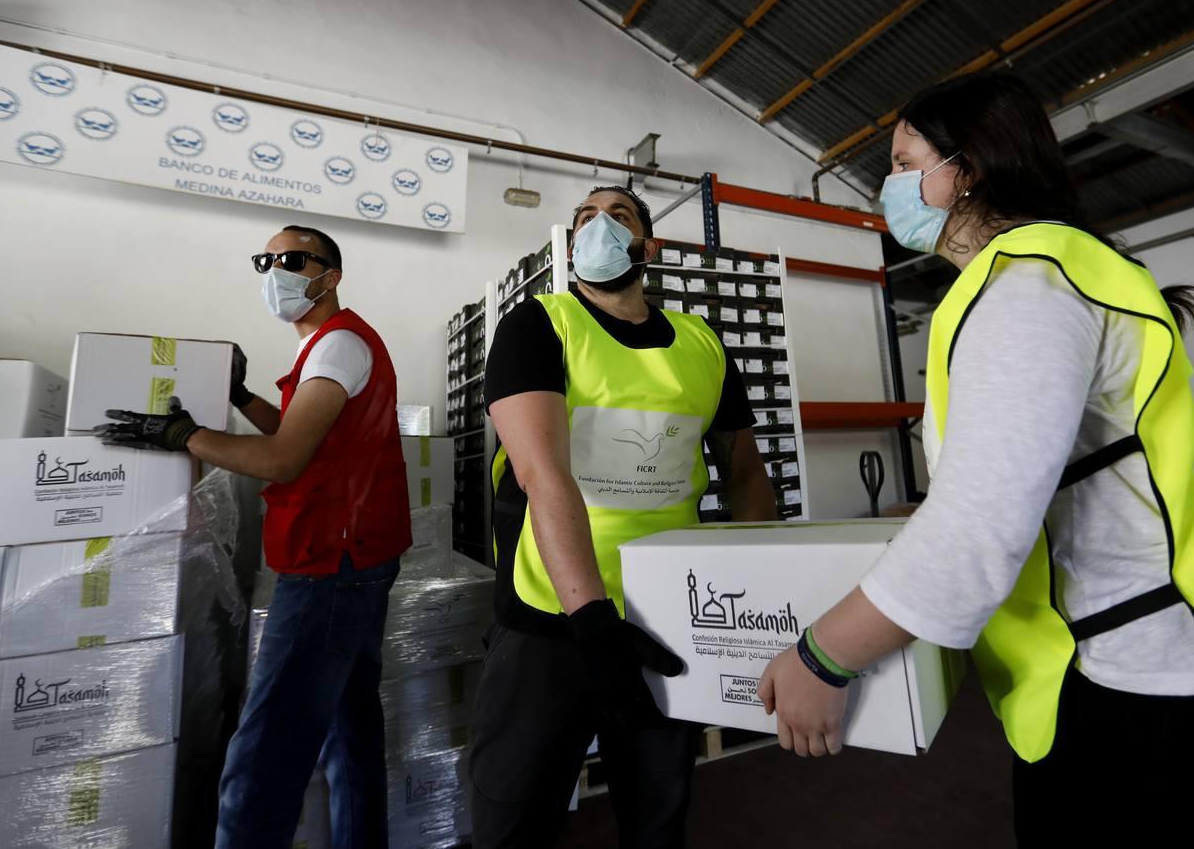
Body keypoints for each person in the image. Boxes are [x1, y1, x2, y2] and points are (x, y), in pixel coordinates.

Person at [756, 74, 1194, 847]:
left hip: (1160, 695)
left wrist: (821, 656)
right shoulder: (1060, 274)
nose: (889, 187)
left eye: (905, 163)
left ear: (963, 170)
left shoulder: (1026, 287)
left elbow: (978, 528)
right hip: (1184, 669)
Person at [470, 185, 778, 847]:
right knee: (515, 811)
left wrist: (756, 595)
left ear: (648, 244)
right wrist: (592, 621)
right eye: (584, 218)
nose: (598, 227)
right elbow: (540, 472)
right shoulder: (538, 325)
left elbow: (746, 470)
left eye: (620, 216)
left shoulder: (702, 343)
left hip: (665, 617)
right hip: (552, 620)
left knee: (656, 812)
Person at [97, 224, 412, 849]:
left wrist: (181, 436)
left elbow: (282, 460)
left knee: (263, 758)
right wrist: (240, 395)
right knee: (350, 731)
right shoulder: (330, 346)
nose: (276, 271)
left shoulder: (336, 346)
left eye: (293, 259)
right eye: (266, 260)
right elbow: (302, 434)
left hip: (330, 566)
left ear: (331, 274)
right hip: (356, 555)